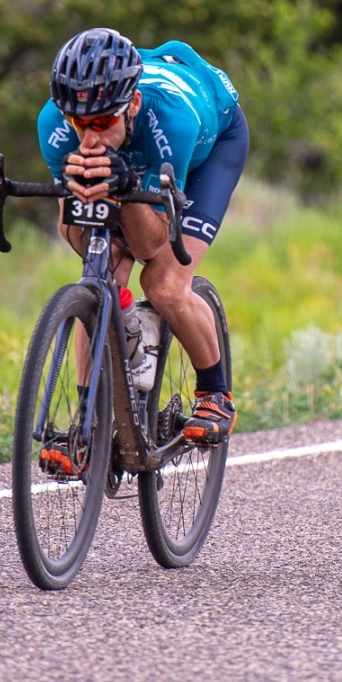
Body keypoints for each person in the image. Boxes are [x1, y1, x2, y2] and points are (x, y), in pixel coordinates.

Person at [37, 28, 248, 445]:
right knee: (103, 277)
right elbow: (74, 230)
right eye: (79, 123)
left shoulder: (171, 121)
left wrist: (129, 187)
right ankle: (88, 422)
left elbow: (150, 244)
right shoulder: (53, 125)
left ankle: (215, 391)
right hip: (142, 148)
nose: (89, 137)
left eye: (100, 122)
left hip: (212, 143)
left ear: (131, 104)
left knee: (164, 283)